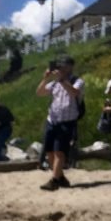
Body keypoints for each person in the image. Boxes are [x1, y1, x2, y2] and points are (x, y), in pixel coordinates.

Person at [35, 54, 85, 191]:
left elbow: (74, 93)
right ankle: (60, 177)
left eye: (63, 66)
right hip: (52, 120)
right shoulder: (54, 83)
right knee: (50, 152)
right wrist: (46, 78)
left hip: (67, 122)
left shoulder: (77, 81)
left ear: (70, 67)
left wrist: (62, 80)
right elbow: (39, 92)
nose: (60, 68)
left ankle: (54, 180)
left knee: (60, 152)